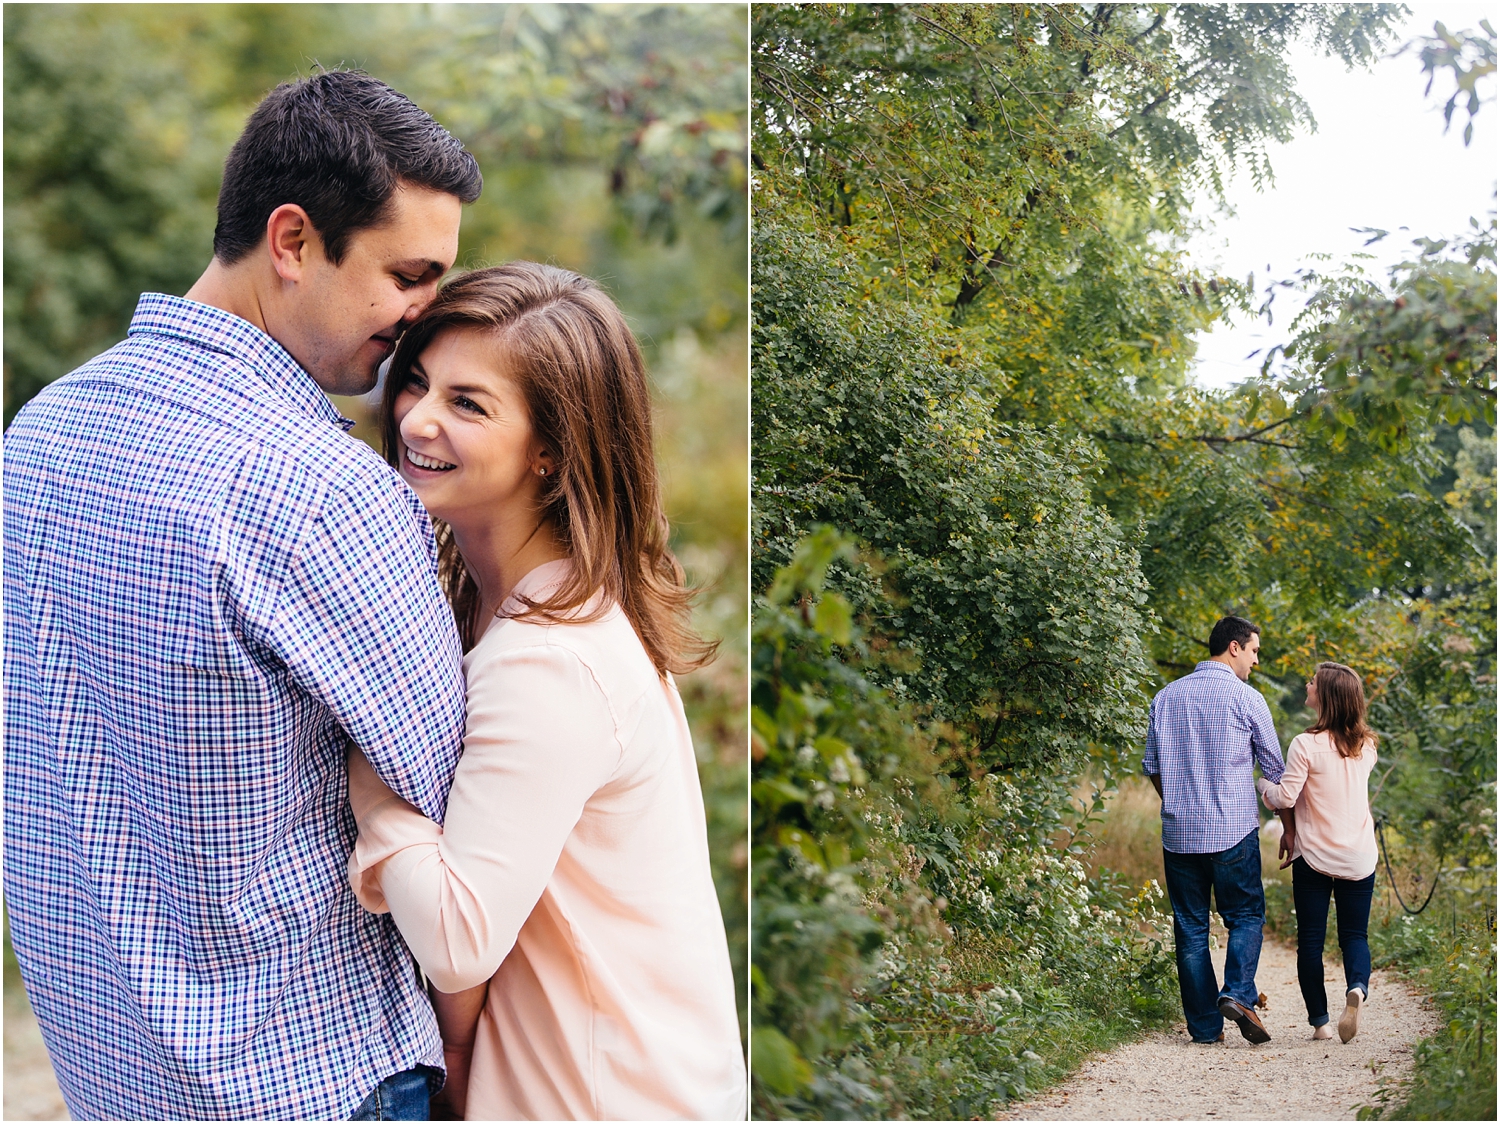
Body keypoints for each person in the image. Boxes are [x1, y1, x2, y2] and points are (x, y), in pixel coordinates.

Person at [3, 71, 483, 1120]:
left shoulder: (35, 435)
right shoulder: (321, 491)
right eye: (410, 274)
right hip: (313, 1082)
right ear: (293, 240)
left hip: (114, 1076)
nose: (422, 317)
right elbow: (460, 823)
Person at [344, 262, 748, 1120]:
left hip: (605, 1094)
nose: (416, 418)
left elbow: (458, 938)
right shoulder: (521, 605)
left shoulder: (552, 658)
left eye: (468, 404)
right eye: (415, 382)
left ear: (552, 453)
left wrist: (371, 785)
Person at [1143, 615, 1291, 1045]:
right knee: (1245, 915)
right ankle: (1239, 993)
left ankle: (1205, 1030)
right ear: (1233, 647)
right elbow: (1276, 770)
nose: (1255, 661)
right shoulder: (1247, 699)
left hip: (1179, 834)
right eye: (1254, 651)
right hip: (1232, 830)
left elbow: (1153, 767)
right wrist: (1288, 826)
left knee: (1190, 927)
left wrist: (1176, 804)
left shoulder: (1166, 697)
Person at [1256, 662, 1379, 1044]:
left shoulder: (1305, 744)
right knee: (1354, 936)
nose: (1307, 684)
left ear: (1324, 695)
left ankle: (1321, 1024)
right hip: (1359, 856)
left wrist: (1262, 784)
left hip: (1314, 858)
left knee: (1310, 939)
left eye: (1313, 681)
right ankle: (1356, 988)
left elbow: (1285, 796)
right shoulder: (1367, 746)